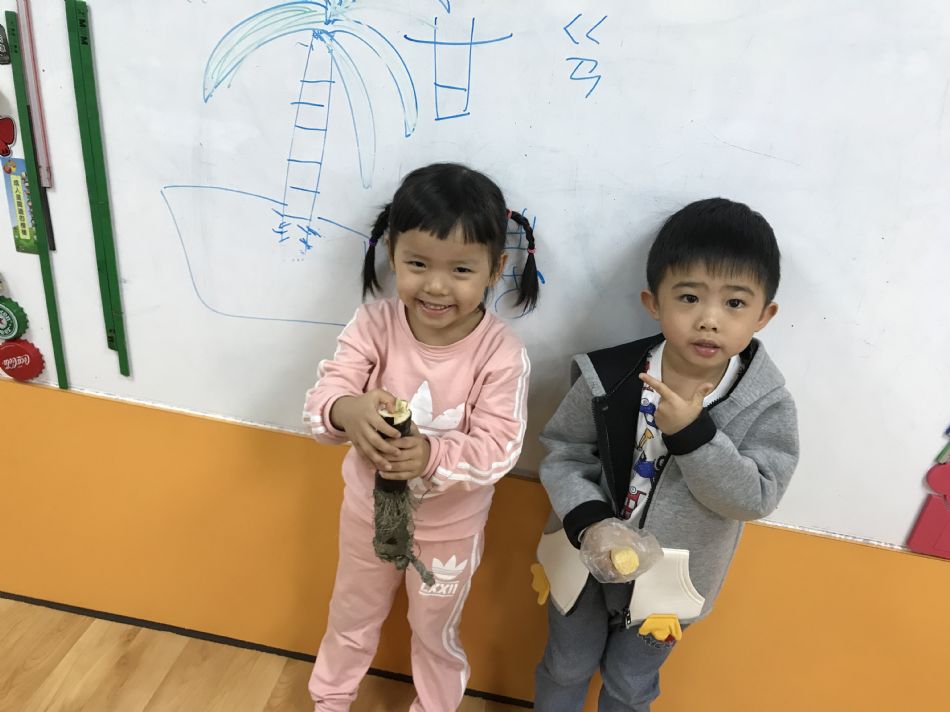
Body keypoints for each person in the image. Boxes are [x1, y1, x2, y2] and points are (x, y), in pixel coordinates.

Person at [535, 198, 799, 711]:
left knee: (629, 685)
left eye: (735, 303)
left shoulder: (765, 404)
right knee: (565, 665)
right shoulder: (609, 377)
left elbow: (756, 497)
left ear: (764, 315)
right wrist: (589, 522)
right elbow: (565, 452)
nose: (709, 320)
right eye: (689, 297)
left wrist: (695, 438)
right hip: (585, 555)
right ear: (653, 302)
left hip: (670, 580)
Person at [303, 162, 540, 711]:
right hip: (367, 517)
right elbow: (321, 402)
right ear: (393, 255)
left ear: (495, 269)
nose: (435, 286)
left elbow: (500, 448)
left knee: (435, 633)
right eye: (417, 264)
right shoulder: (373, 325)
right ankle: (330, 699)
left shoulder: (501, 353)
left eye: (460, 269)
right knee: (350, 617)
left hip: (449, 533)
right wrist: (347, 410)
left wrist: (432, 454)